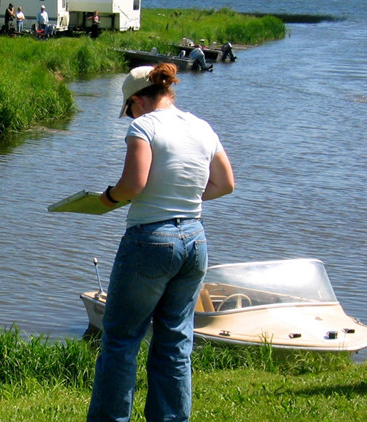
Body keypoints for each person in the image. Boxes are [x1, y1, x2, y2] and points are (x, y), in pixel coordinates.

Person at [87, 63, 234, 421]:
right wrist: (181, 195)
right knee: (175, 343)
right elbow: (225, 184)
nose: (130, 116)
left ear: (138, 100)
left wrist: (106, 198)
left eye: (129, 109)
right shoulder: (202, 127)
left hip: (150, 239)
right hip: (195, 239)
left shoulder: (144, 126)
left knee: (121, 341)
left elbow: (133, 185)